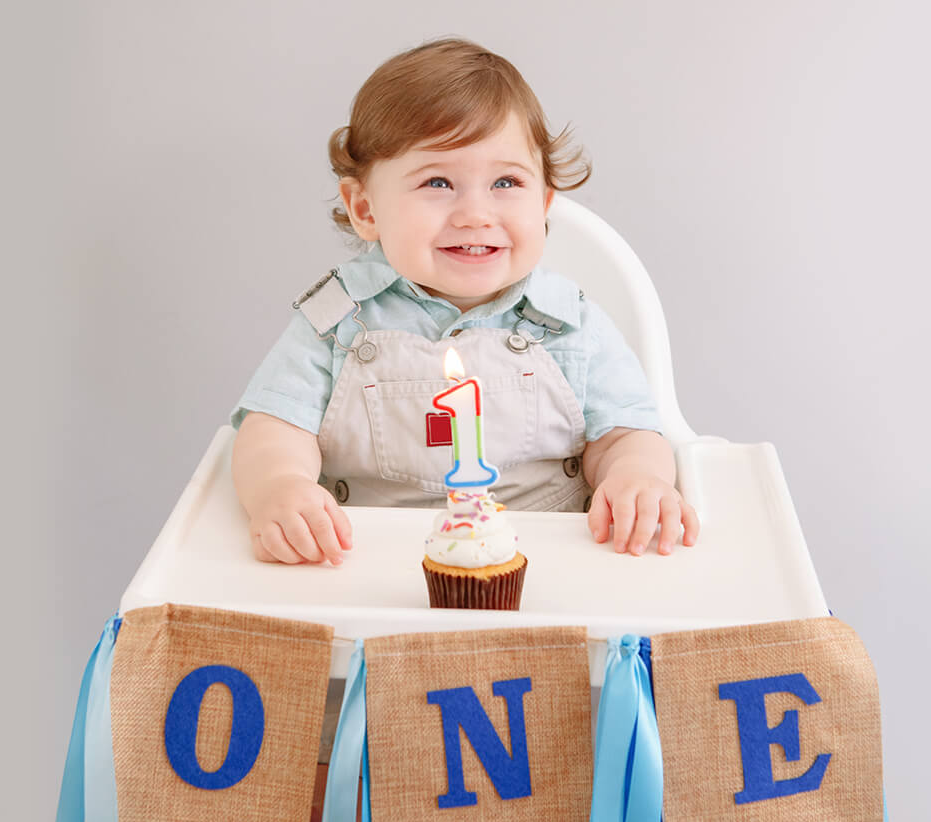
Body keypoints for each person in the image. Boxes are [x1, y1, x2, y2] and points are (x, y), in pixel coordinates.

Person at [231, 38, 698, 566]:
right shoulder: (336, 321)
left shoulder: (572, 323)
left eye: (505, 181)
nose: (475, 213)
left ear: (544, 203)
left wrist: (637, 477)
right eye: (437, 181)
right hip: (368, 563)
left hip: (545, 565)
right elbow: (272, 430)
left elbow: (624, 436)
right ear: (365, 208)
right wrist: (279, 486)